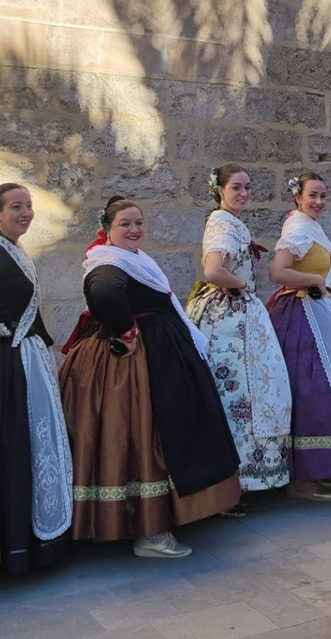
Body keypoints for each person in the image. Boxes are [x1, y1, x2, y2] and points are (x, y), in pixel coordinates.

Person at [62, 197, 242, 557]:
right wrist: (127, 333)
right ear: (107, 230)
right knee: (145, 436)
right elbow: (104, 292)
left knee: (168, 429)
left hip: (162, 354)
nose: (134, 230)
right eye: (125, 224)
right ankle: (150, 532)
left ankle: (175, 515)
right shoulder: (107, 262)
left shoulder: (136, 259)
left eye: (139, 223)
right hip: (135, 364)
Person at [0, 183, 72, 574]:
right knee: (15, 440)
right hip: (4, 360)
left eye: (28, 206)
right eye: (16, 207)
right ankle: (18, 546)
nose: (25, 213)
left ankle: (32, 542)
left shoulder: (9, 248)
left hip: (16, 354)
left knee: (27, 442)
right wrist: (5, 324)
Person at [185, 164, 292, 508]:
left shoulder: (228, 221)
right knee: (238, 396)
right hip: (229, 322)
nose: (244, 193)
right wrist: (241, 284)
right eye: (236, 187)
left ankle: (236, 483)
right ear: (219, 190)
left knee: (247, 394)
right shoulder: (222, 223)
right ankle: (232, 485)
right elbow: (213, 270)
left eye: (247, 187)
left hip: (235, 317)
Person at [267, 172, 331, 501]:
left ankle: (320, 468)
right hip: (300, 316)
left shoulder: (310, 226)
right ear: (298, 196)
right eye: (313, 195)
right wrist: (312, 279)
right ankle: (302, 475)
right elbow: (277, 271)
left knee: (324, 389)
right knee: (309, 388)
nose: (319, 201)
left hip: (318, 311)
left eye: (323, 195)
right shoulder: (296, 227)